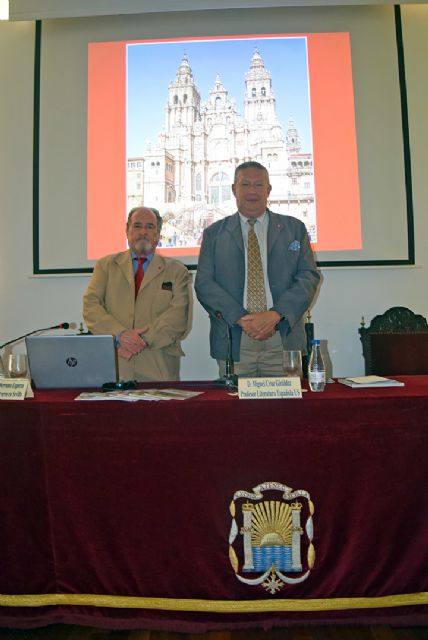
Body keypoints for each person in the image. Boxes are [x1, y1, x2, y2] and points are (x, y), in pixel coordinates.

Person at [194, 161, 320, 377]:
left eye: (259, 185)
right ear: (234, 189)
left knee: (286, 409)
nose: (252, 191)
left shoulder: (294, 229)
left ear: (269, 189)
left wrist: (275, 315)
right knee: (235, 410)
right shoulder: (214, 234)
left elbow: (308, 277)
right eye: (245, 184)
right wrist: (242, 319)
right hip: (235, 339)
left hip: (283, 338)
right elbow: (204, 284)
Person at [83, 207, 192, 381]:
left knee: (158, 409)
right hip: (116, 364)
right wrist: (120, 335)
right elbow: (91, 306)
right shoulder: (106, 266)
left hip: (159, 365)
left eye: (150, 227)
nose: (143, 232)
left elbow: (179, 316)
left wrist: (142, 339)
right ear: (127, 230)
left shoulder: (177, 271)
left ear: (157, 233)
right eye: (137, 226)